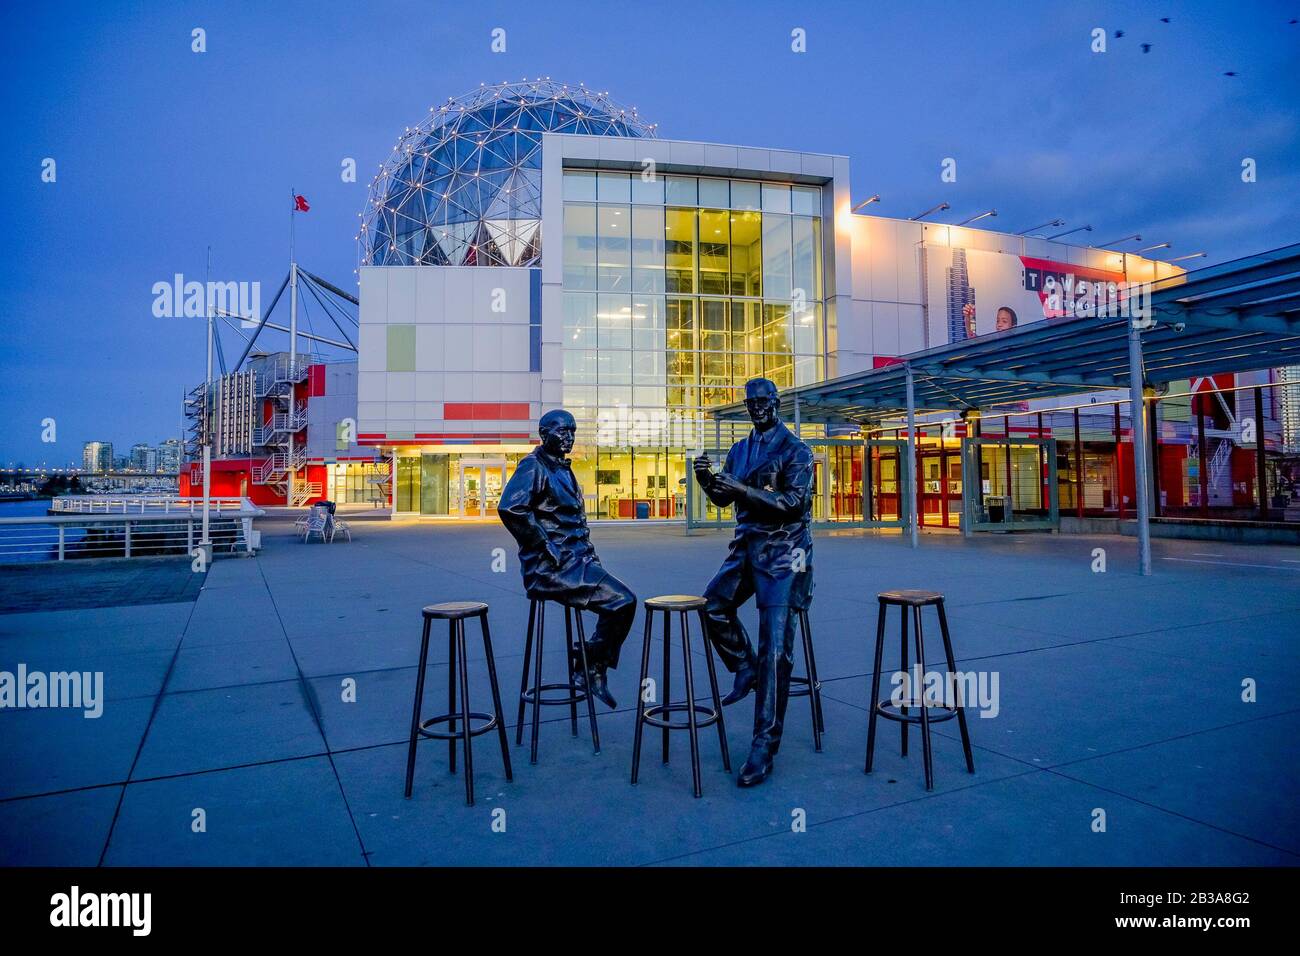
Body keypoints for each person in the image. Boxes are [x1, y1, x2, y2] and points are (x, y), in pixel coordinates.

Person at [692, 378, 814, 787]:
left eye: (763, 401)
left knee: (776, 651)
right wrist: (707, 479)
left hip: (784, 554)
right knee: (712, 604)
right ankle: (744, 666)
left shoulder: (797, 450)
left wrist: (742, 488)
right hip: (747, 547)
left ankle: (764, 745)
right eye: (751, 403)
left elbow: (793, 505)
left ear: (776, 403)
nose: (757, 408)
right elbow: (725, 499)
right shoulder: (740, 449)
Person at [497, 409, 636, 708]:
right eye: (562, 432)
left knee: (623, 602)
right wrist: (544, 545)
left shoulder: (564, 469)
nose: (569, 437)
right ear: (544, 434)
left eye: (572, 431)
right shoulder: (533, 466)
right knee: (623, 601)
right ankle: (589, 664)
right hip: (551, 568)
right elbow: (510, 508)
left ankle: (589, 664)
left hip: (577, 562)